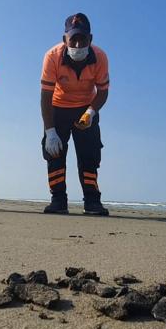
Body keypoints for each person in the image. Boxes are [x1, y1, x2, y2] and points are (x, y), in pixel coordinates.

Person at [40, 13, 110, 215]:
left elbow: (103, 91)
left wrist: (91, 112)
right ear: (65, 40)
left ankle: (92, 201)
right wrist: (50, 131)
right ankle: (58, 200)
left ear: (91, 39)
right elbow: (45, 96)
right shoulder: (52, 56)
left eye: (83, 39)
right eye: (73, 39)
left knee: (90, 154)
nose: (78, 45)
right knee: (54, 152)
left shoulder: (100, 57)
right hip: (57, 107)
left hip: (86, 108)